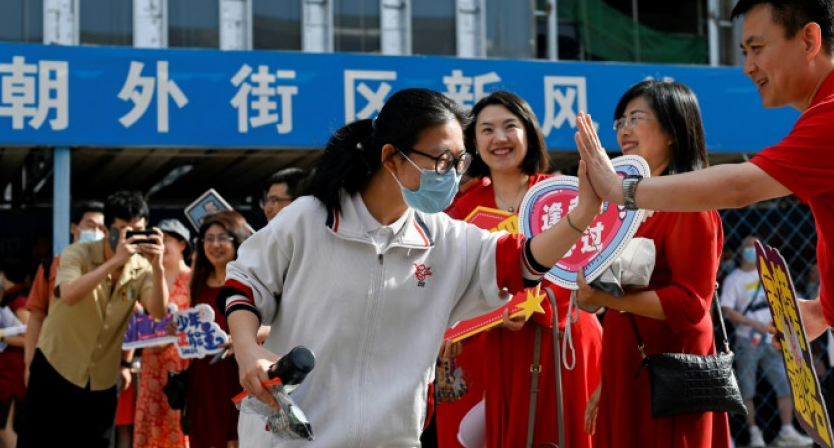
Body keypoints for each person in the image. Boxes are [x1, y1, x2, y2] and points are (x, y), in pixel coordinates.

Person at [575, 0, 834, 448]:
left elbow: (740, 187)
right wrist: (825, 310)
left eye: (757, 48)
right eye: (744, 53)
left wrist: (622, 191)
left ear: (809, 39)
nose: (748, 66)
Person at [219, 88, 602, 447]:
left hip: (391, 438)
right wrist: (249, 351)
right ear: (390, 157)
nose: (451, 174)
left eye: (459, 161)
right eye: (441, 160)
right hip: (290, 434)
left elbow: (521, 261)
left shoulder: (448, 239)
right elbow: (245, 283)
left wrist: (584, 212)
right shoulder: (310, 218)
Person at [441, 91, 602, 448]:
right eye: (486, 130)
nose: (499, 138)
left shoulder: (562, 194)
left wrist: (529, 301)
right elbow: (449, 282)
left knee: (567, 430)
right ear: (473, 142)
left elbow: (584, 265)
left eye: (509, 126)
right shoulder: (462, 209)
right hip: (498, 349)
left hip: (566, 340)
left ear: (528, 133)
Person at [578, 79, 729, 446]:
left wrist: (607, 300)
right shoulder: (628, 207)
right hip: (629, 364)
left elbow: (691, 304)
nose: (624, 129)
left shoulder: (691, 204)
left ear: (673, 130)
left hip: (673, 373)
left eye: (636, 118)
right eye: (620, 121)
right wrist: (607, 381)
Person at [22, 190, 168, 447]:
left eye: (138, 231)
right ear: (106, 227)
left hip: (101, 379)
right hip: (56, 367)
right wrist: (114, 262)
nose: (130, 239)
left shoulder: (142, 267)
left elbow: (158, 311)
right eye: (123, 230)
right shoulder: (76, 253)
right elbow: (68, 294)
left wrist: (158, 267)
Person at [720, 235, 812, 447]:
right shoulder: (734, 279)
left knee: (784, 383)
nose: (753, 250)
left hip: (771, 339)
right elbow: (727, 310)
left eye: (756, 246)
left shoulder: (769, 274)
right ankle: (754, 433)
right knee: (747, 388)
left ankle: (787, 430)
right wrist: (755, 324)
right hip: (748, 341)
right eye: (749, 246)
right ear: (742, 250)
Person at [187, 210, 253, 448]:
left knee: (237, 439)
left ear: (237, 240)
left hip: (239, 375)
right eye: (209, 238)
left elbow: (272, 325)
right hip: (204, 379)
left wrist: (239, 340)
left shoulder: (249, 279)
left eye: (222, 237)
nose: (215, 244)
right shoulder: (197, 281)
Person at [23, 200, 105, 386]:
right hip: (56, 363)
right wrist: (29, 364)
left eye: (102, 227)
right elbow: (36, 318)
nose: (96, 231)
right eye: (90, 225)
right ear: (74, 228)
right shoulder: (50, 266)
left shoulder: (112, 269)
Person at [133, 218, 193, 448]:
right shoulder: (145, 277)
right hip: (151, 369)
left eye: (165, 240)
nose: (160, 246)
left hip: (180, 369)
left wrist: (169, 338)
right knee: (150, 429)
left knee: (177, 427)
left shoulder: (192, 279)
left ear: (182, 245)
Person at [0, 256, 30, 448]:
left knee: (5, 429)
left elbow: (31, 338)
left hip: (13, 374)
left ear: (2, 275)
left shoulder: (20, 301)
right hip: (2, 370)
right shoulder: (7, 297)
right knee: (0, 430)